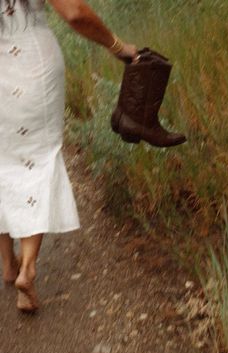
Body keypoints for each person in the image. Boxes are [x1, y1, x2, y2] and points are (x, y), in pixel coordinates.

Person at [0, 0, 137, 312]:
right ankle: (27, 269)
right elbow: (75, 12)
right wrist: (117, 46)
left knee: (3, 162)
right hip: (32, 69)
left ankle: (7, 264)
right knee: (39, 160)